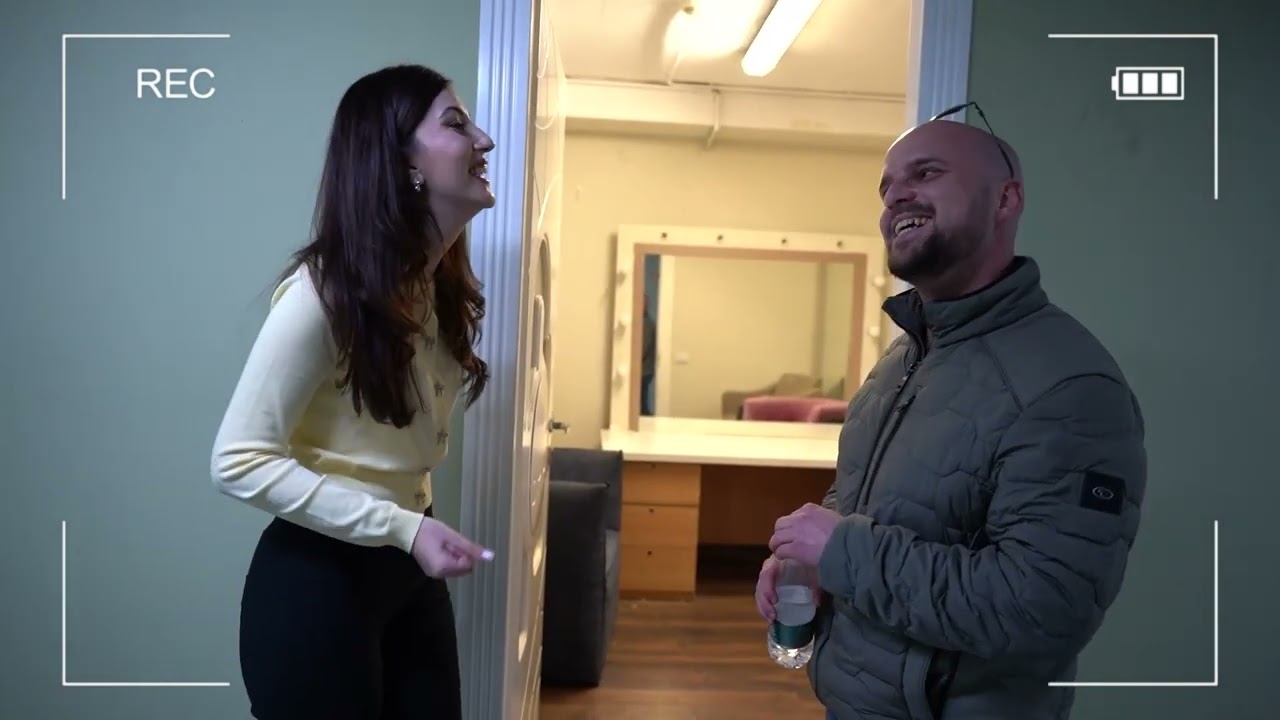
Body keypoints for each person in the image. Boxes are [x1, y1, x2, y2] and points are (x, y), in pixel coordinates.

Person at [757, 116, 1146, 719]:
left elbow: (1041, 608)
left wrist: (842, 551)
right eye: (886, 187)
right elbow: (866, 499)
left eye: (926, 173)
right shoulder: (903, 358)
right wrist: (814, 563)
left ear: (1006, 199)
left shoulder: (1069, 387)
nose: (896, 196)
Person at [209, 64, 497, 720]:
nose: (484, 140)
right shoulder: (324, 295)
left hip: (407, 575)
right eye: (456, 124)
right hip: (317, 590)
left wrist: (410, 530)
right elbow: (237, 460)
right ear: (404, 163)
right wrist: (403, 527)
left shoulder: (434, 291)